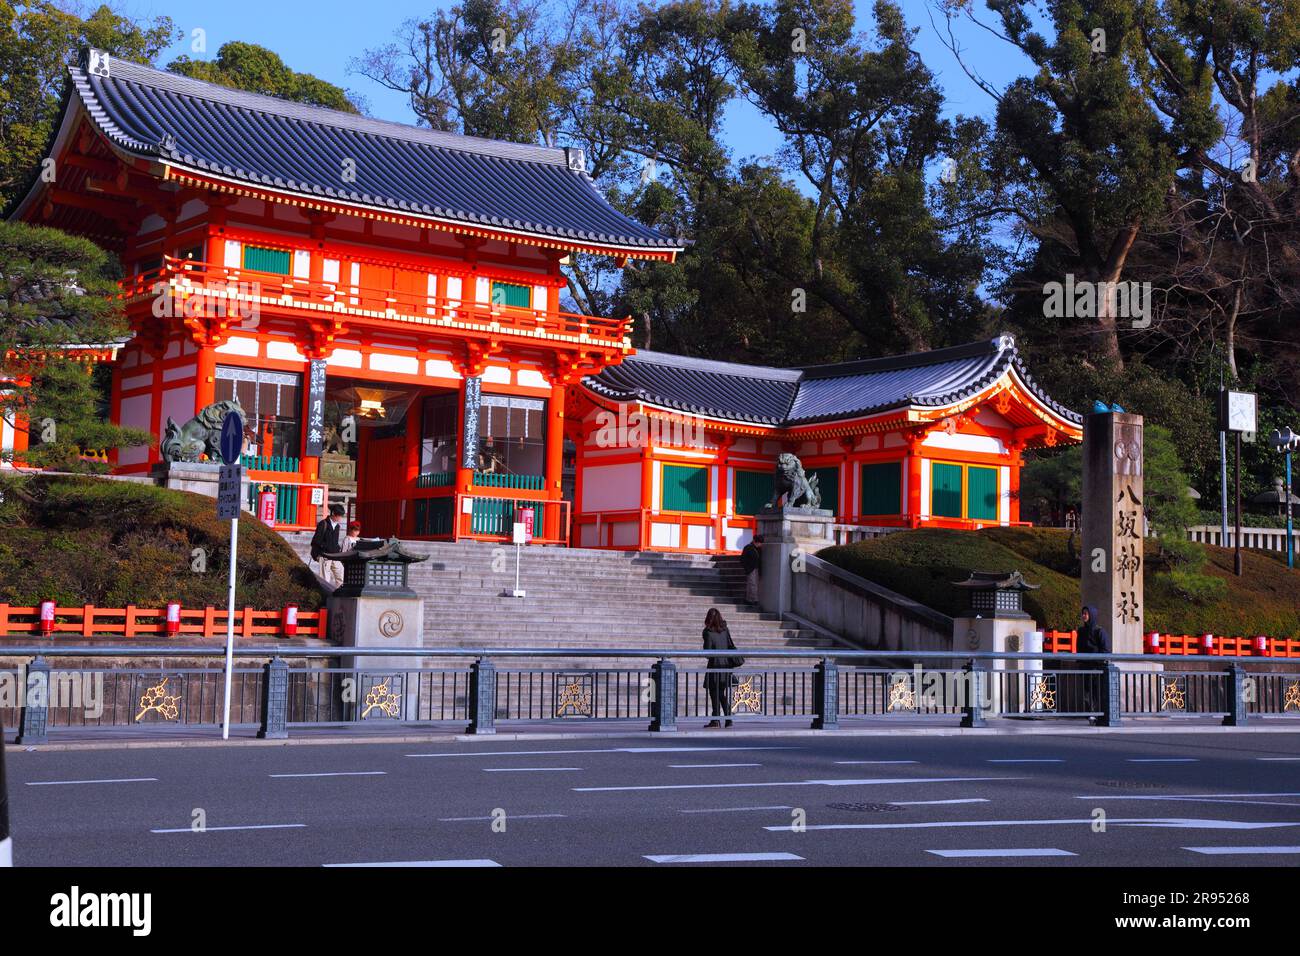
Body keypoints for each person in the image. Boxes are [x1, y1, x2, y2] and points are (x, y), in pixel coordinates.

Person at [702, 607, 743, 728]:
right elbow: (731, 645)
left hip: (715, 667)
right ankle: (726, 718)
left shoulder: (708, 632)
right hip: (726, 667)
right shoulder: (725, 630)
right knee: (720, 693)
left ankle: (717, 719)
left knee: (715, 693)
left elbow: (707, 652)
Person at [1078, 605, 1111, 719]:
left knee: (1096, 690)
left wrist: (1099, 660)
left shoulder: (1099, 631)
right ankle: (1090, 713)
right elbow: (1080, 648)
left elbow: (1106, 649)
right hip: (1085, 665)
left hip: (1097, 666)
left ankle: (1098, 713)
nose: (1083, 616)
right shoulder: (1081, 631)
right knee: (1087, 691)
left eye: (1086, 613)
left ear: (1091, 615)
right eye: (1083, 613)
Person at [310, 504, 347, 587]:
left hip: (334, 555)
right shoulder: (323, 524)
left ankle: (339, 594)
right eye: (339, 515)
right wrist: (323, 549)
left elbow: (336, 542)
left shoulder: (337, 526)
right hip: (324, 555)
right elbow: (316, 540)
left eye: (341, 516)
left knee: (341, 575)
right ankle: (326, 596)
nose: (340, 518)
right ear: (333, 514)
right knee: (325, 579)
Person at [740, 535, 763, 605]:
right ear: (755, 542)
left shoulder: (758, 549)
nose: (760, 544)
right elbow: (742, 559)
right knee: (753, 584)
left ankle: (748, 599)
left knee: (752, 584)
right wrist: (747, 568)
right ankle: (754, 599)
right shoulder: (748, 548)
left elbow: (760, 561)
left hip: (756, 568)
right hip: (751, 569)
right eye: (759, 543)